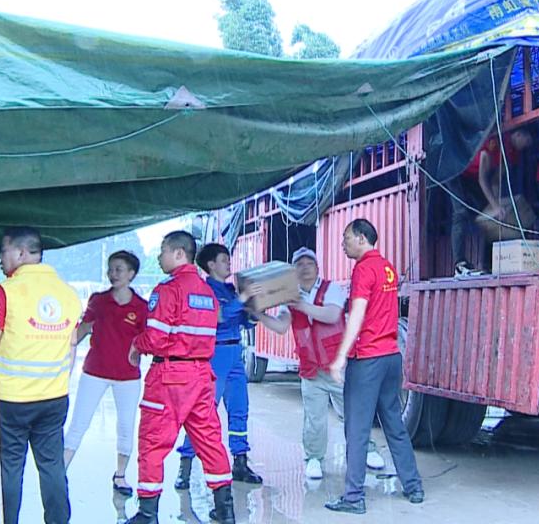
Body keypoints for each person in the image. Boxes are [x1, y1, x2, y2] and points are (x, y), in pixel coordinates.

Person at [0, 227, 82, 524]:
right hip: (54, 399)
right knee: (53, 467)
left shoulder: (6, 292)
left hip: (12, 401)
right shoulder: (68, 294)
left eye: (3, 252)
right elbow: (71, 349)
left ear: (20, 253)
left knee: (9, 469)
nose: (0, 260)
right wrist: (58, 384)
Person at [126, 231, 235, 524]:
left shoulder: (168, 290)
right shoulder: (207, 293)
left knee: (152, 442)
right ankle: (225, 511)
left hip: (170, 378)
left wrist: (137, 345)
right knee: (211, 442)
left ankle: (147, 514)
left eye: (162, 251)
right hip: (201, 376)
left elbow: (157, 339)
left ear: (178, 254)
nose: (159, 257)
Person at [325, 220, 423, 515]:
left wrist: (341, 356)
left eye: (346, 238)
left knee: (356, 427)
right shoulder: (387, 267)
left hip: (367, 358)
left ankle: (353, 497)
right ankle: (414, 486)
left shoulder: (363, 269)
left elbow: (357, 314)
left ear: (361, 238)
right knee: (393, 423)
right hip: (391, 356)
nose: (343, 244)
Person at [173, 243, 283, 490]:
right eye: (224, 260)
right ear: (211, 264)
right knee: (202, 413)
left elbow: (244, 321)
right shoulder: (204, 289)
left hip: (235, 353)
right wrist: (242, 300)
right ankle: (185, 465)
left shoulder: (231, 289)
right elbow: (217, 316)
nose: (229, 263)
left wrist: (254, 310)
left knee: (239, 409)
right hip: (215, 354)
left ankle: (240, 462)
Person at [272, 247, 386, 480]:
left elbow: (332, 315)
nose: (304, 268)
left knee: (352, 412)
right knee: (314, 418)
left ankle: (368, 450)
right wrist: (259, 314)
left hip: (337, 367)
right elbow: (282, 325)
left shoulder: (332, 288)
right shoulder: (288, 296)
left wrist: (300, 305)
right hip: (310, 368)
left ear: (317, 267)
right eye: (299, 264)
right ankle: (314, 457)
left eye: (309, 263)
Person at [63, 250, 148, 497]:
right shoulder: (98, 301)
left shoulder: (141, 307)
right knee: (79, 423)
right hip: (94, 372)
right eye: (110, 269)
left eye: (119, 269)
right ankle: (60, 472)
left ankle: (120, 475)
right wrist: (60, 349)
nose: (113, 274)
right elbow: (80, 331)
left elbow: (148, 339)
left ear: (131, 274)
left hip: (128, 376)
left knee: (125, 426)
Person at [451, 127, 533, 276]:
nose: (526, 146)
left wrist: (495, 206)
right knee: (460, 213)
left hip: (472, 177)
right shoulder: (494, 143)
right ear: (518, 134)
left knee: (490, 218)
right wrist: (495, 206)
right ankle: (459, 264)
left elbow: (495, 181)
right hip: (457, 172)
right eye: (526, 141)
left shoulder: (512, 153)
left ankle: (486, 264)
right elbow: (483, 179)